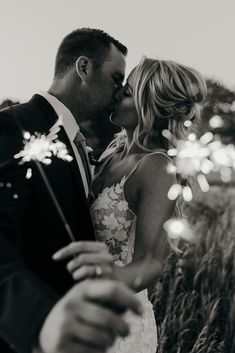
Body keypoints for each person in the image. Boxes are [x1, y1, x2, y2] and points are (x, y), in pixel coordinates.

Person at [0, 28, 141, 353]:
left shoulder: (76, 141)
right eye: (116, 78)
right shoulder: (15, 126)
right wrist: (39, 320)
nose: (119, 92)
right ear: (84, 68)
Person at [54, 56, 207, 352]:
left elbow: (150, 264)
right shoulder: (112, 155)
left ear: (149, 104)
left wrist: (94, 284)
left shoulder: (156, 168)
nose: (116, 95)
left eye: (127, 93)